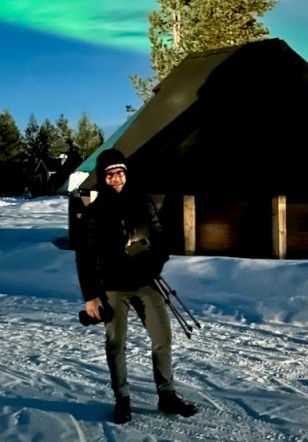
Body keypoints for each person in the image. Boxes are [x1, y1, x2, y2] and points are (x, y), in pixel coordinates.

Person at [75, 148, 198, 424]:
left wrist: (154, 265)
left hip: (146, 283)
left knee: (162, 339)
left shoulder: (143, 204)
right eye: (109, 174)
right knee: (116, 344)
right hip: (112, 287)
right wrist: (91, 296)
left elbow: (161, 240)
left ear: (126, 174)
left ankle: (167, 396)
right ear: (102, 177)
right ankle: (122, 400)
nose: (116, 178)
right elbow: (84, 256)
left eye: (120, 172)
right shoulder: (94, 213)